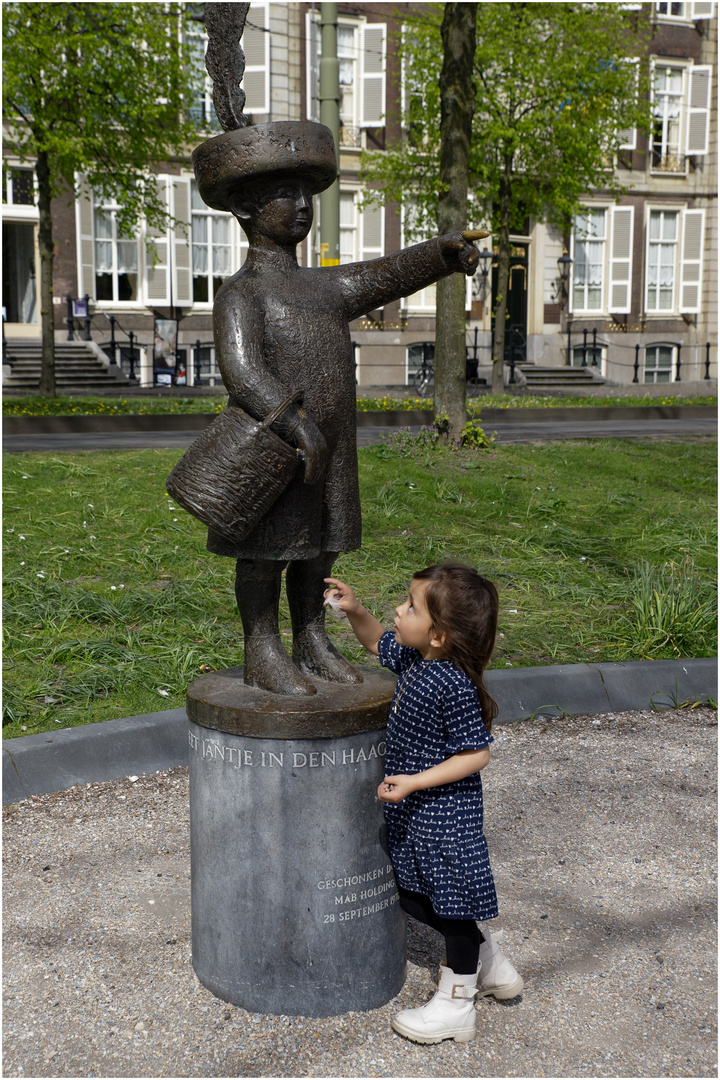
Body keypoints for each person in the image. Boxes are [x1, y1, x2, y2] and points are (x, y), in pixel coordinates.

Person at [191, 120, 483, 696]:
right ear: (248, 205)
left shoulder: (323, 287)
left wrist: (440, 255)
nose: (303, 206)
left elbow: (383, 275)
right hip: (279, 448)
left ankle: (310, 637)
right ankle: (261, 646)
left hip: (330, 445)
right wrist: (295, 424)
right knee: (267, 550)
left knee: (317, 545)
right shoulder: (243, 292)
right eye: (287, 194)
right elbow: (242, 370)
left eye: (308, 194)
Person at [323, 561, 524, 1044]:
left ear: (439, 635)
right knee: (415, 892)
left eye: (410, 606)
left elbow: (476, 755)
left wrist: (415, 782)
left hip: (445, 813)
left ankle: (456, 1008)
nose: (399, 609)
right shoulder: (418, 660)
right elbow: (377, 642)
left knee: (447, 905)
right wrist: (355, 609)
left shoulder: (452, 684)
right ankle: (489, 963)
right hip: (417, 809)